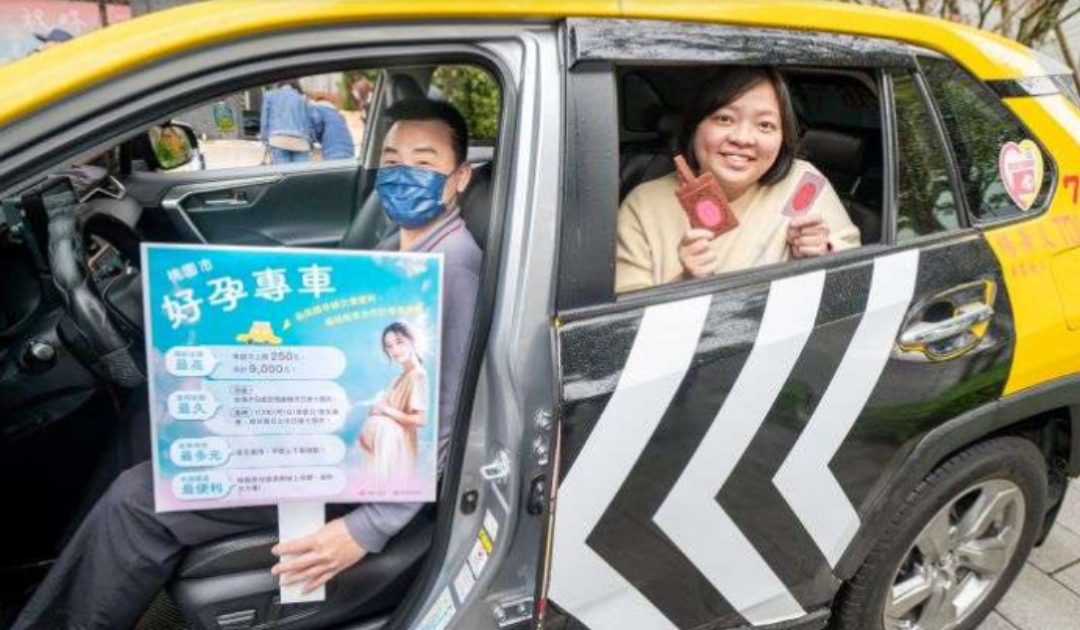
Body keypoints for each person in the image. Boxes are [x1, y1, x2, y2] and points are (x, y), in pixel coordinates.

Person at [13, 98, 482, 630]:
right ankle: (77, 562)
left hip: (352, 467)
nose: (404, 176)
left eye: (424, 163)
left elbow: (439, 429)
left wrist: (365, 529)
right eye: (393, 161)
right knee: (153, 410)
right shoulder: (404, 244)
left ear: (460, 176)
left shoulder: (453, 272)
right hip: (326, 422)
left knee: (136, 500)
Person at [615, 67, 860, 294]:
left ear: (782, 137)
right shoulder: (644, 205)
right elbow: (621, 326)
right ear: (694, 127)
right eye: (725, 119)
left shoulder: (802, 183)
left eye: (765, 125)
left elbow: (856, 283)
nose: (743, 138)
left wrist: (822, 254)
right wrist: (685, 283)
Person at [360, 322, 429, 485]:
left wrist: (384, 410)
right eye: (388, 346)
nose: (394, 350)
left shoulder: (418, 375)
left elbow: (420, 420)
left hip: (396, 450)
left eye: (399, 342)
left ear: (412, 341)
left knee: (387, 490)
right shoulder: (399, 377)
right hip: (382, 449)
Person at [260, 82, 314, 164]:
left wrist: (265, 139)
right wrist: (311, 141)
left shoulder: (270, 95)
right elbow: (308, 122)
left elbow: (264, 120)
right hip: (300, 141)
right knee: (300, 174)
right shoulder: (302, 98)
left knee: (284, 174)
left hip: (278, 140)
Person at [307, 92, 357, 160]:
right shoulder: (337, 114)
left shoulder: (318, 108)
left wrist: (310, 141)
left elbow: (316, 127)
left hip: (333, 151)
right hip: (349, 150)